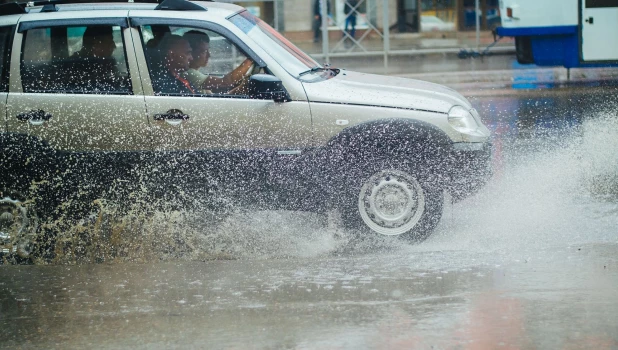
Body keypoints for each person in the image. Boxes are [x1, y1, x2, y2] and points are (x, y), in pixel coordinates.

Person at [182, 30, 254, 95]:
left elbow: (219, 99)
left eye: (208, 50)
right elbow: (226, 82)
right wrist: (251, 58)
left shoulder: (195, 74)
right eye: (204, 51)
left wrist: (242, 87)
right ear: (191, 53)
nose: (209, 55)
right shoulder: (189, 73)